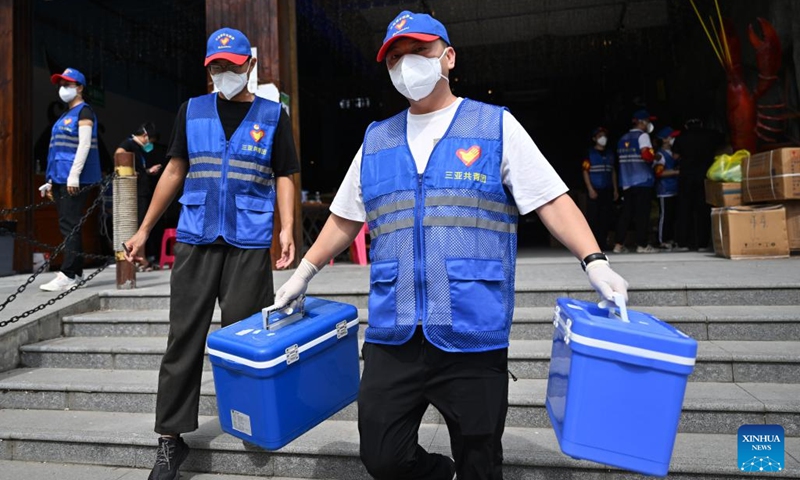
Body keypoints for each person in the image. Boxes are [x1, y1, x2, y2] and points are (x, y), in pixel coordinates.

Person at [272, 11, 629, 480]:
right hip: (393, 331)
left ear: (448, 57)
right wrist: (303, 273)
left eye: (417, 52)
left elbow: (552, 201)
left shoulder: (494, 126)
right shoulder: (376, 140)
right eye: (395, 58)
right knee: (382, 455)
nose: (407, 65)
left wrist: (595, 262)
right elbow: (344, 219)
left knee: (480, 462)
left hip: (470, 327)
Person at [122, 27, 299, 480]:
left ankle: (250, 420)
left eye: (232, 66)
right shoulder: (192, 110)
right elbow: (176, 169)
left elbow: (285, 174)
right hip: (196, 238)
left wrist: (288, 229)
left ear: (250, 66)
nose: (224, 73)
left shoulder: (272, 114)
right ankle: (170, 439)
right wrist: (144, 229)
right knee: (183, 338)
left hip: (250, 240)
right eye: (216, 66)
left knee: (243, 339)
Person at [39, 68, 102, 292]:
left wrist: (74, 175)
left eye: (68, 84)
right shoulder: (65, 116)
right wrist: (49, 180)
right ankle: (75, 271)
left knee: (69, 225)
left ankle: (67, 273)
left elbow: (84, 145)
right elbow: (57, 151)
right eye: (61, 84)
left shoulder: (84, 112)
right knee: (69, 223)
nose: (63, 89)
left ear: (80, 88)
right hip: (59, 178)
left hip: (72, 179)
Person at [672, 118, 725, 251]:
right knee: (703, 210)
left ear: (686, 125)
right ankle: (702, 243)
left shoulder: (681, 138)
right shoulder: (712, 136)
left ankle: (683, 243)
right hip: (704, 176)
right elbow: (724, 146)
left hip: (686, 177)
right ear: (701, 124)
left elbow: (675, 156)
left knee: (684, 210)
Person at [116, 122, 162, 270]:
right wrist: (128, 171)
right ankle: (139, 258)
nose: (151, 145)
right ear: (145, 136)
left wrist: (147, 171)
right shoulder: (129, 143)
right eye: (151, 141)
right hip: (134, 192)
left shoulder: (140, 149)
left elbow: (139, 170)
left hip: (143, 189)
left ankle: (143, 258)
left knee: (143, 224)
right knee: (140, 225)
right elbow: (118, 154)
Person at [612, 109, 659, 254]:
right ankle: (642, 244)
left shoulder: (622, 138)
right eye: (648, 121)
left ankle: (618, 244)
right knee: (642, 214)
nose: (649, 124)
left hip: (626, 181)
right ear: (642, 122)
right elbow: (646, 155)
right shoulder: (643, 136)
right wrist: (655, 157)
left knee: (626, 213)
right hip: (642, 180)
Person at [581, 127, 618, 251]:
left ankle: (603, 243)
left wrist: (615, 189)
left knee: (605, 218)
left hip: (607, 189)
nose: (603, 138)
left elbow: (613, 172)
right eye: (599, 135)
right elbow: (585, 171)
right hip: (595, 190)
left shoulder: (610, 153)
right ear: (594, 139)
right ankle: (592, 245)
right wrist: (590, 189)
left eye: (604, 135)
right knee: (593, 218)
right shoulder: (589, 153)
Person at [653, 127, 680, 251]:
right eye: (671, 137)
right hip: (664, 190)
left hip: (674, 188)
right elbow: (659, 173)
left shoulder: (673, 154)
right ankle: (662, 240)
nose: (673, 139)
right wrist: (676, 172)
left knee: (673, 216)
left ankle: (671, 239)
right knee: (665, 216)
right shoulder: (660, 155)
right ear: (664, 140)